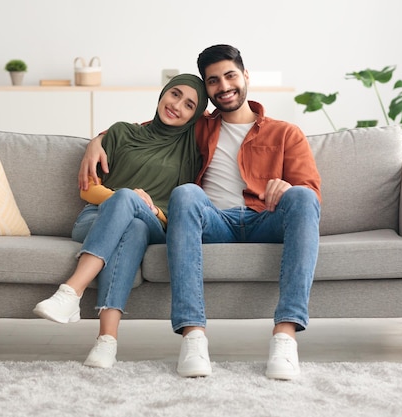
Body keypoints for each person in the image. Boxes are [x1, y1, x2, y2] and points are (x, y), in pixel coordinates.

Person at [82, 45, 321, 380]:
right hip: (215, 221)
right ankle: (193, 336)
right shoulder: (200, 126)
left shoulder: (286, 133)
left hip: (265, 218)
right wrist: (97, 140)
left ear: (245, 76)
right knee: (185, 194)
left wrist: (288, 188)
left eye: (230, 75)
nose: (223, 86)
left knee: (304, 198)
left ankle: (284, 338)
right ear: (207, 90)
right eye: (213, 81)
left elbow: (311, 192)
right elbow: (149, 129)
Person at [33, 73, 208, 369]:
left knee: (136, 213)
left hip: (155, 221)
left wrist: (151, 208)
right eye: (175, 94)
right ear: (163, 92)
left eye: (189, 105)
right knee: (132, 224)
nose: (177, 105)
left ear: (196, 115)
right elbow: (88, 188)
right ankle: (106, 342)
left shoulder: (192, 151)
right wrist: (123, 197)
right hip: (95, 218)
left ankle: (70, 292)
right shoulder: (121, 132)